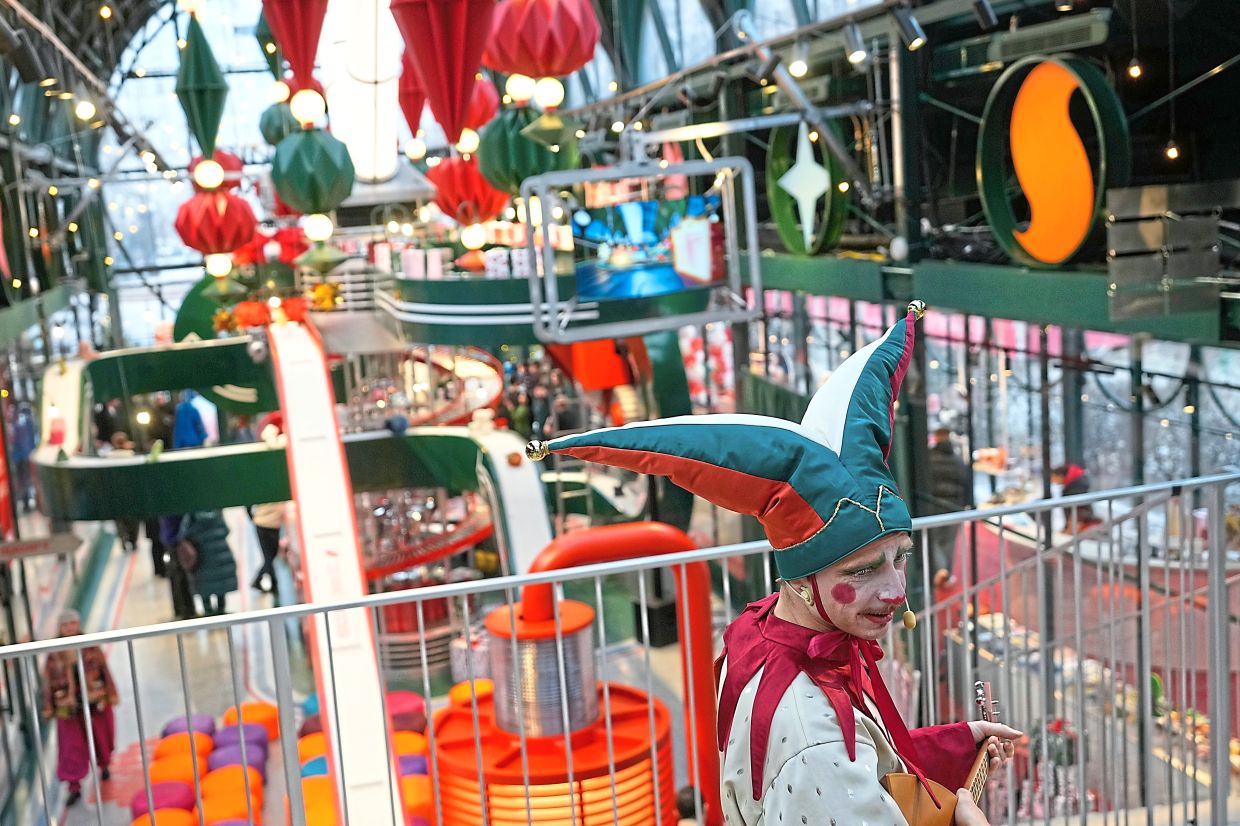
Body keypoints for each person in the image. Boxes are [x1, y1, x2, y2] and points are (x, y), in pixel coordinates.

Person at [526, 302, 1020, 825]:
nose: (897, 590)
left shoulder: (768, 632)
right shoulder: (815, 737)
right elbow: (828, 765)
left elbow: (861, 773)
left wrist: (961, 743)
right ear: (804, 578)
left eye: (899, 559)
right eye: (861, 570)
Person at [42, 609, 118, 806]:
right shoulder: (54, 654)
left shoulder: (90, 647)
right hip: (68, 709)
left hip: (94, 702)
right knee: (71, 749)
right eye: (65, 625)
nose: (69, 628)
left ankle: (104, 765)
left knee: (102, 738)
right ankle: (74, 787)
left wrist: (110, 694)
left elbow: (104, 670)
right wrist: (49, 706)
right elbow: (48, 682)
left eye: (73, 624)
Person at [926, 427, 972, 587]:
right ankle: (947, 574)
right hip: (954, 507)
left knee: (935, 540)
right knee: (949, 541)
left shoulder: (927, 458)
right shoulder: (959, 460)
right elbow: (966, 484)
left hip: (934, 505)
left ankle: (940, 570)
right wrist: (965, 504)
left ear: (936, 437)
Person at [178, 510, 236, 616]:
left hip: (201, 553)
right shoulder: (217, 510)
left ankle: (207, 610)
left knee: (203, 582)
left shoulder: (192, 513)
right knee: (220, 580)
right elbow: (225, 529)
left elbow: (184, 532)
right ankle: (221, 609)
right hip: (219, 551)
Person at [108, 433, 141, 553]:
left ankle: (123, 540)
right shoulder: (131, 455)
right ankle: (134, 541)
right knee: (134, 520)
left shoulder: (109, 457)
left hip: (116, 495)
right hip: (131, 494)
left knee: (120, 521)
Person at [159, 515, 197, 620]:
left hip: (173, 540)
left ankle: (183, 611)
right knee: (179, 576)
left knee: (177, 576)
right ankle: (186, 610)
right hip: (174, 540)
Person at [250, 502, 286, 598]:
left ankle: (267, 583)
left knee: (270, 557)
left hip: (263, 523)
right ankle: (267, 583)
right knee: (269, 558)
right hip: (271, 524)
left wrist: (252, 517)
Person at [1051, 464, 1101, 532]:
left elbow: (1080, 508)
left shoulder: (1075, 486)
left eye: (1053, 478)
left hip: (1080, 526)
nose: (1053, 481)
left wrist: (1071, 526)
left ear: (1060, 475)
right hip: (1079, 523)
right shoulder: (1074, 483)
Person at [11, 401, 37, 512]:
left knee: (23, 480)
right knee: (26, 479)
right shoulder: (28, 421)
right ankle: (26, 502)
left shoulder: (19, 422)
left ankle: (26, 502)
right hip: (26, 457)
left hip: (20, 457)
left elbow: (15, 440)